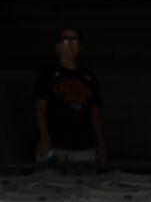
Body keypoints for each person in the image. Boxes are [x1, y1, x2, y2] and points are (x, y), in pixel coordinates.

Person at [33, 27, 106, 164]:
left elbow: (95, 114)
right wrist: (44, 137)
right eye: (66, 40)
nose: (71, 44)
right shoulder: (48, 74)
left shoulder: (88, 76)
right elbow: (40, 109)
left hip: (84, 147)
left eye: (75, 40)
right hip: (55, 146)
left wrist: (100, 143)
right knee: (51, 183)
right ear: (58, 46)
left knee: (86, 185)